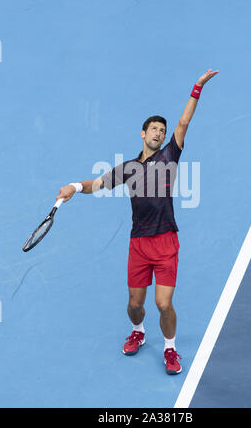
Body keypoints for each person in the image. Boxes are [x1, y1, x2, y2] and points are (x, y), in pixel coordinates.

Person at [56, 69, 219, 375]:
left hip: (166, 240)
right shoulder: (128, 168)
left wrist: (196, 88)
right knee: (134, 304)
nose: (160, 132)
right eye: (154, 129)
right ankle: (139, 331)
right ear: (143, 134)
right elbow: (96, 184)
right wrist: (73, 188)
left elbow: (184, 122)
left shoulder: (170, 154)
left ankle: (171, 350)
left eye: (162, 129)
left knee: (163, 303)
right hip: (139, 243)